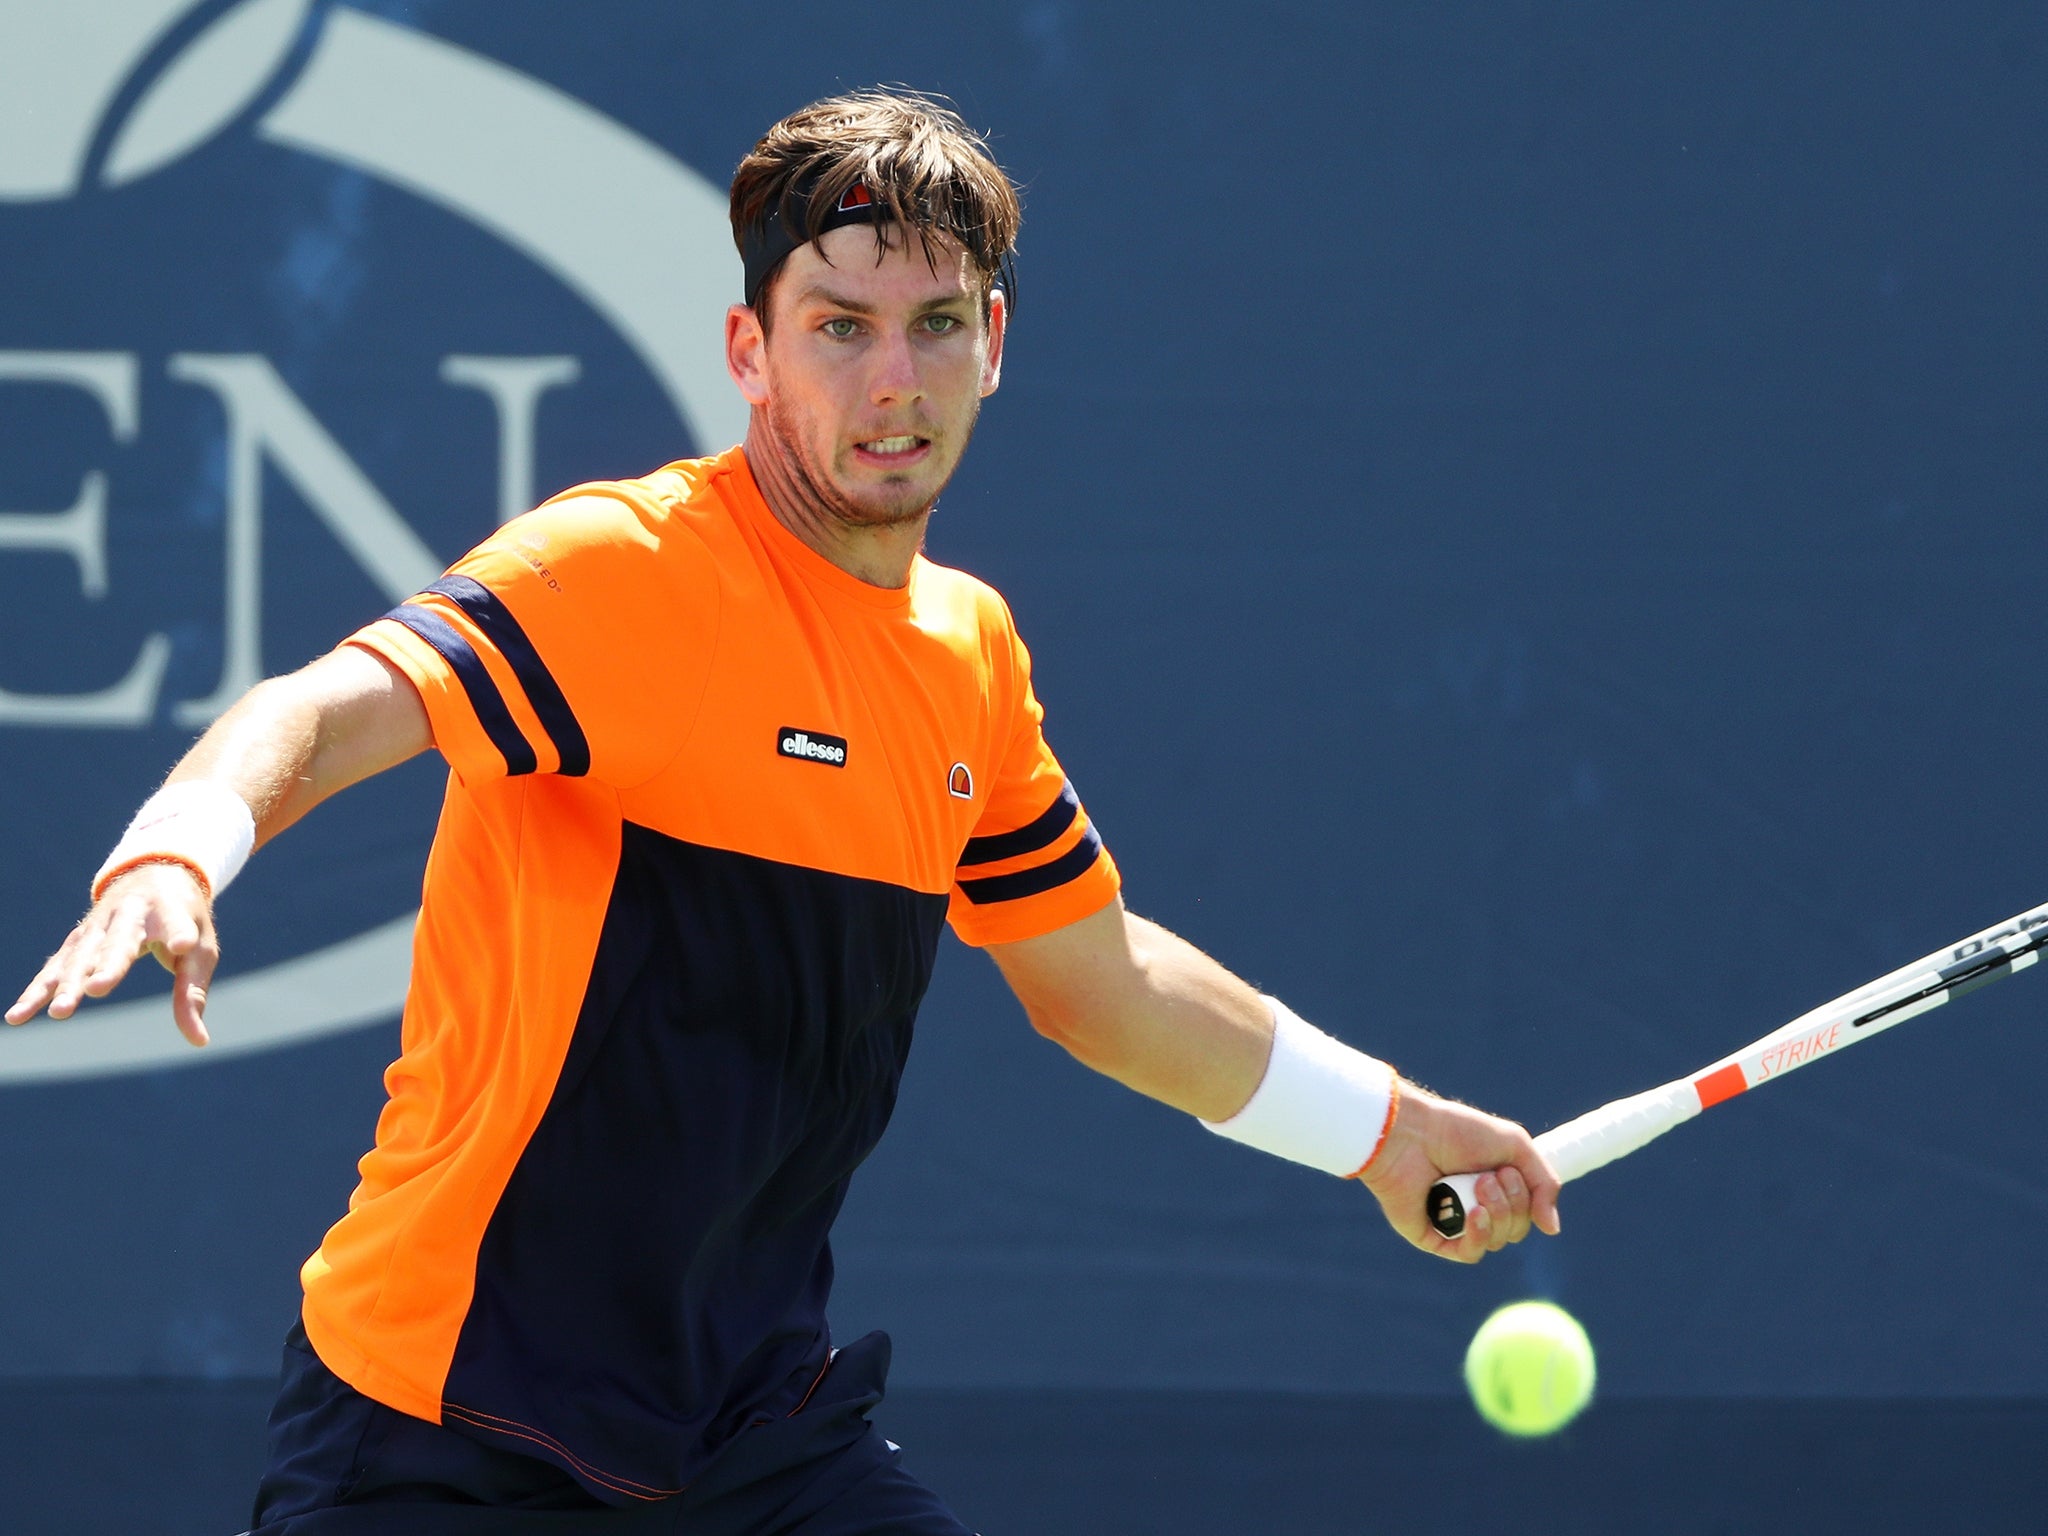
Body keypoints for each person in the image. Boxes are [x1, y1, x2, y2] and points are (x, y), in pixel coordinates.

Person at [7, 90, 1560, 1535]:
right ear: (751, 352)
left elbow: (1102, 983)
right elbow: (330, 707)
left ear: (994, 341)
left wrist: (1379, 1130)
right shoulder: (626, 568)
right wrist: (177, 846)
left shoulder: (967, 656)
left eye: (936, 326)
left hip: (755, 1433)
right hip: (443, 1426)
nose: (894, 380)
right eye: (840, 329)